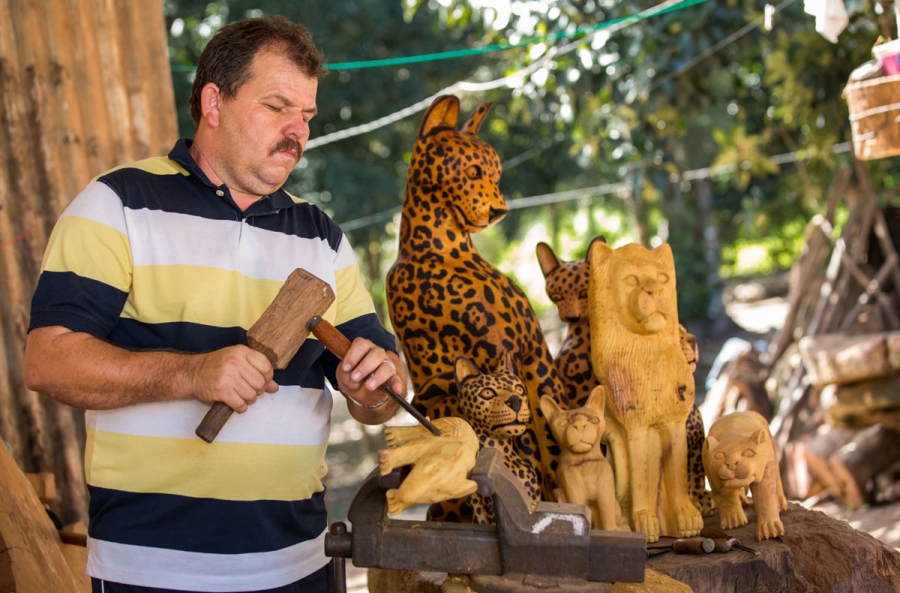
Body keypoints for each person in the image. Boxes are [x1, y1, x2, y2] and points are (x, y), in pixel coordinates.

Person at [23, 15, 405, 593]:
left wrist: (377, 387)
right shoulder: (117, 204)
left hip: (300, 564)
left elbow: (376, 400)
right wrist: (193, 372)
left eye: (305, 115)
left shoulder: (321, 237)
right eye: (277, 107)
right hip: (153, 570)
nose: (296, 131)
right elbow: (49, 361)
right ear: (214, 102)